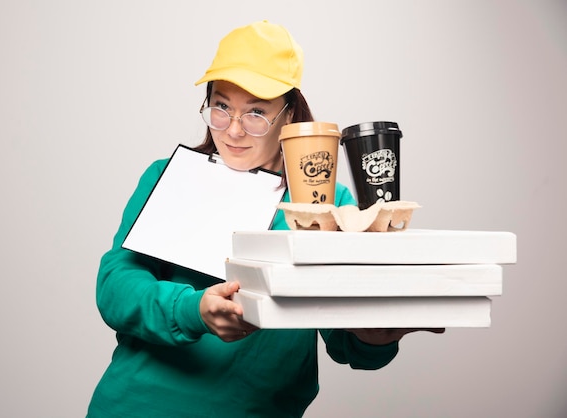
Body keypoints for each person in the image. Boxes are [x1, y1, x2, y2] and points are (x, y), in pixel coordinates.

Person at [86, 20, 443, 418]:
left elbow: (349, 344)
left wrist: (375, 336)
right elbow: (115, 287)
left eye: (256, 113)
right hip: (138, 407)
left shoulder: (329, 204)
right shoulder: (169, 176)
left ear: (289, 115)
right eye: (221, 107)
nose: (234, 131)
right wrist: (194, 309)